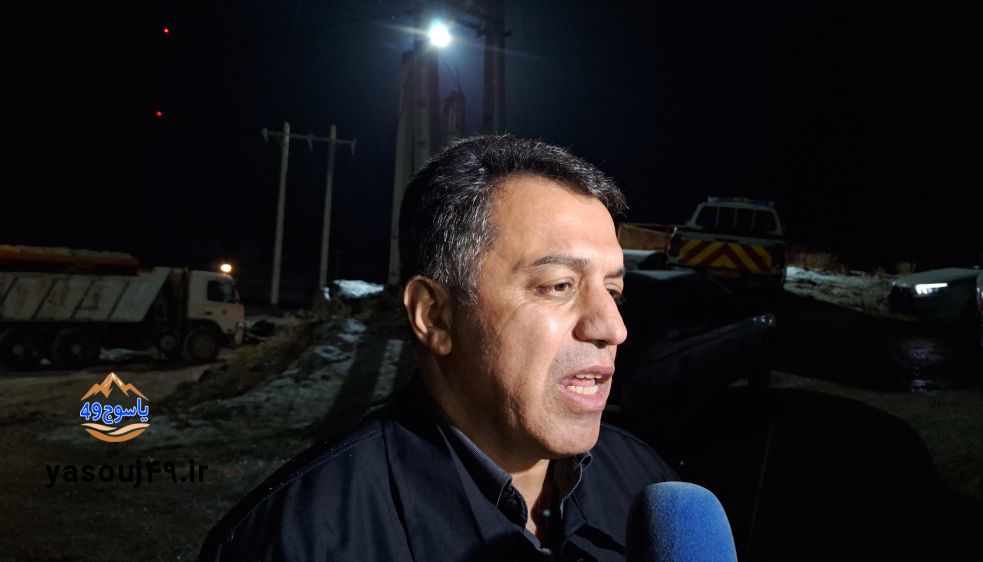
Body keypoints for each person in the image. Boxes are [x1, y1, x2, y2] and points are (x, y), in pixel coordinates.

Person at [199, 135, 677, 561]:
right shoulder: (292, 540)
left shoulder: (651, 488)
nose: (612, 328)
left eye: (613, 291)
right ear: (435, 316)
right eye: (558, 286)